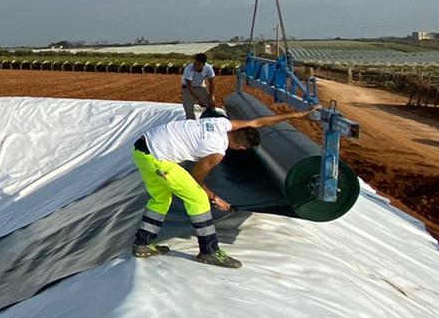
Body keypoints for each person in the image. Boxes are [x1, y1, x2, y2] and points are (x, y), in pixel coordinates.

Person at [131, 106, 311, 268]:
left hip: (142, 147)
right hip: (157, 158)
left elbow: (257, 122)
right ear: (242, 146)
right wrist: (215, 198)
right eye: (243, 149)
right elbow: (195, 179)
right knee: (198, 198)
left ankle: (142, 243)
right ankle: (209, 251)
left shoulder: (221, 124)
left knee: (161, 199)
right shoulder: (216, 151)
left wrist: (298, 113)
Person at [181, 54, 217, 119]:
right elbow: (189, 87)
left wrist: (211, 96)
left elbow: (212, 83)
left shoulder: (208, 68)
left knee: (211, 103)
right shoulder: (188, 69)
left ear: (203, 64)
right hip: (187, 87)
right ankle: (191, 121)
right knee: (189, 108)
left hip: (200, 86)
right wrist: (198, 100)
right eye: (195, 63)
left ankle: (211, 118)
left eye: (198, 64)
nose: (196, 66)